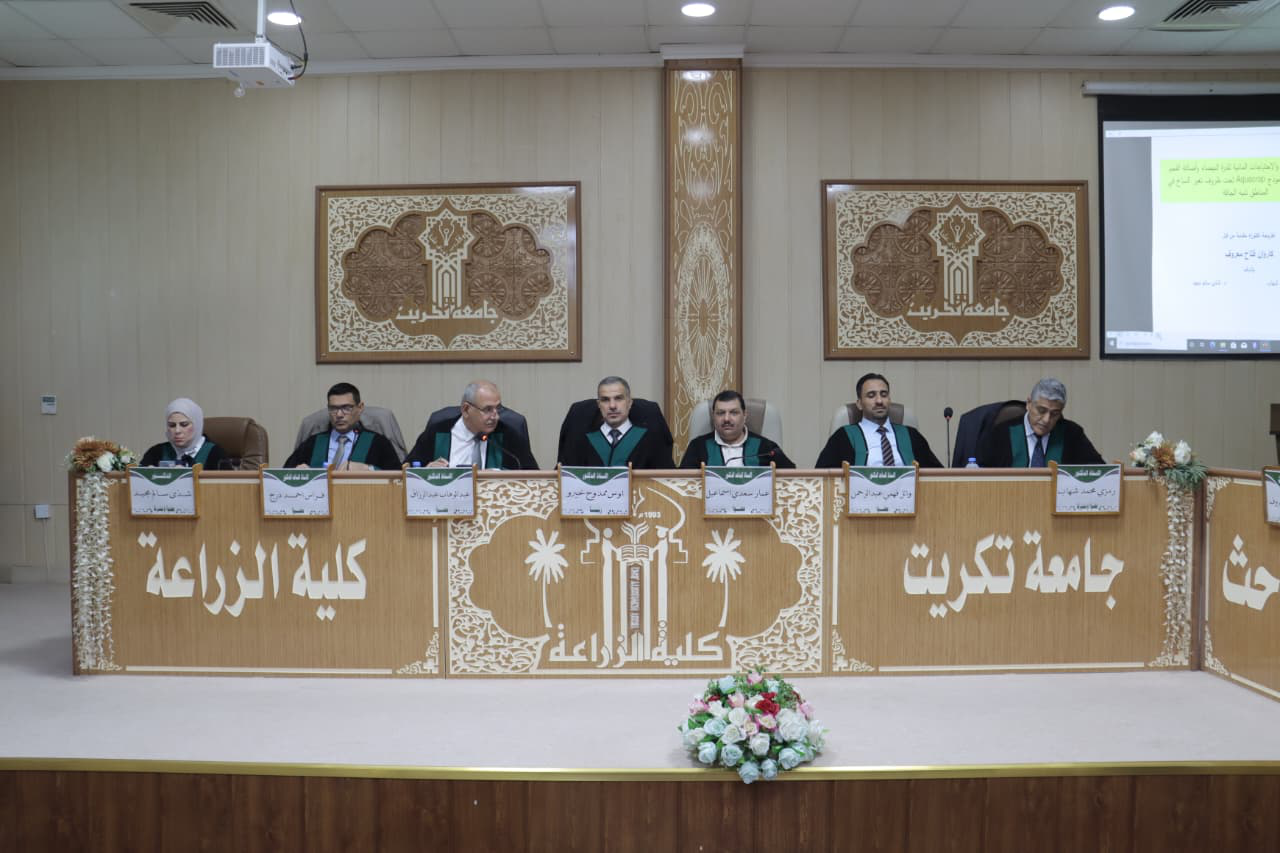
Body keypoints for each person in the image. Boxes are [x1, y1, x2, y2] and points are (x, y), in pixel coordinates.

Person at [815, 372, 943, 468]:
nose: (879, 401)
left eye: (884, 394)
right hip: (861, 496)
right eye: (871, 395)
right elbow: (823, 478)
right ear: (859, 404)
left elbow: (937, 475)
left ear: (889, 400)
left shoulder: (911, 435)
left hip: (907, 496)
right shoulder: (843, 437)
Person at [405, 380, 538, 469]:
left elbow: (533, 478)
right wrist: (425, 471)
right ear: (466, 410)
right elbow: (407, 471)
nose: (495, 416)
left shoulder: (509, 436)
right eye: (487, 409)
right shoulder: (438, 432)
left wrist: (499, 477)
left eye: (497, 408)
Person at [976, 377, 1103, 468]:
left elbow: (1097, 469)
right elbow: (981, 473)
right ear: (1029, 404)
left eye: (1054, 413)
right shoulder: (1001, 433)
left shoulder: (1072, 434)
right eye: (1042, 410)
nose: (1046, 419)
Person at [559, 376, 673, 469]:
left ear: (629, 403)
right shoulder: (581, 439)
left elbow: (665, 478)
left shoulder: (650, 438)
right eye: (605, 400)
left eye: (618, 398)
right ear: (599, 405)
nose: (612, 406)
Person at [284, 382, 400, 470]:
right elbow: (284, 474)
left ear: (360, 408)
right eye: (333, 408)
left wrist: (368, 469)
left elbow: (398, 477)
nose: (339, 414)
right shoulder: (312, 443)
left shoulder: (378, 443)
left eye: (346, 408)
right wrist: (298, 473)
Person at [679, 390, 795, 469]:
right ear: (713, 416)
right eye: (720, 413)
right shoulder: (697, 447)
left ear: (744, 415)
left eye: (734, 413)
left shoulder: (767, 448)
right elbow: (682, 483)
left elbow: (792, 478)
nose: (726, 419)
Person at [140, 398, 229, 469]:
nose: (177, 431)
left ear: (197, 425)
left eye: (184, 424)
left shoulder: (215, 454)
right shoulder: (155, 452)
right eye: (172, 425)